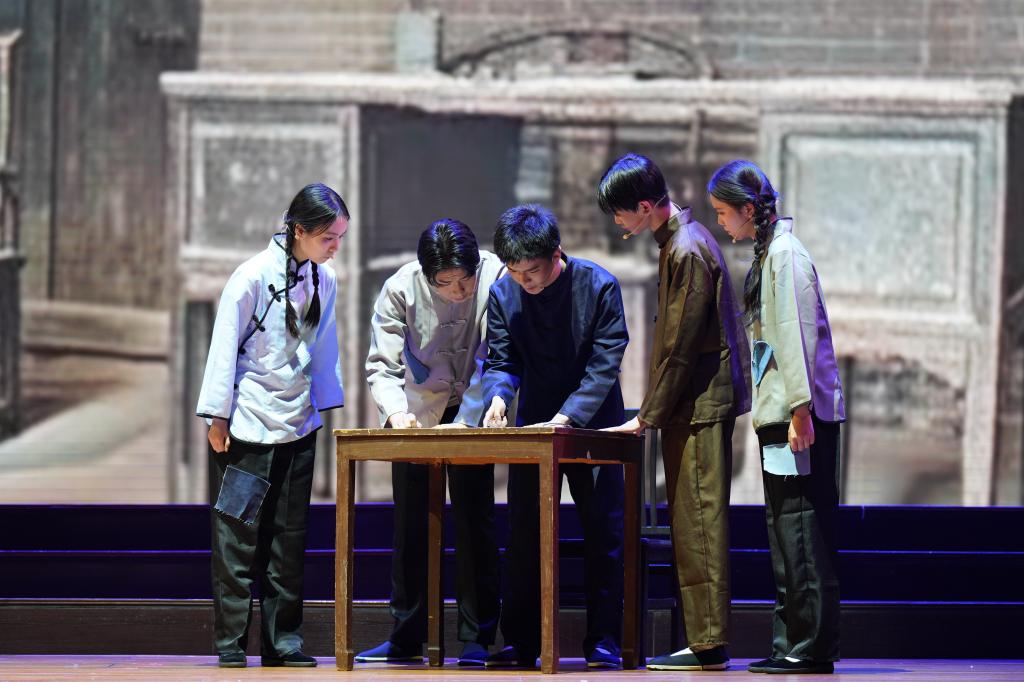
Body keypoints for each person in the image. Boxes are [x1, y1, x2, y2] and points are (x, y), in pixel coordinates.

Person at [598, 153, 751, 672]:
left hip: (700, 405)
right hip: (691, 405)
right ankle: (704, 641)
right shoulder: (680, 242)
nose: (617, 221)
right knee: (692, 521)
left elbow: (681, 345)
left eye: (620, 211)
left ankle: (707, 644)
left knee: (699, 522)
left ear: (644, 207)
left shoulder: (685, 247)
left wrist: (648, 415)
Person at [196, 183, 348, 669]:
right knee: (238, 538)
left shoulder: (325, 280)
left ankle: (284, 643)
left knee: (289, 539)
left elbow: (323, 346)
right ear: (299, 230)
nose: (335, 247)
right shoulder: (250, 277)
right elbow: (224, 348)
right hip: (247, 425)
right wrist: (218, 416)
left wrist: (321, 405)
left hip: (298, 423)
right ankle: (231, 644)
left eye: (340, 238)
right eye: (328, 238)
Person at [708, 159, 845, 675]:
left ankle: (810, 646)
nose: (721, 221)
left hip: (798, 415)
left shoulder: (785, 254)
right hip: (783, 412)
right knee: (785, 529)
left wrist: (800, 409)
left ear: (748, 209)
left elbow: (794, 333)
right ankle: (791, 640)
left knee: (803, 530)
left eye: (724, 212)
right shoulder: (770, 253)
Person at [480, 204, 627, 670]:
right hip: (534, 426)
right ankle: (522, 642)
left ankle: (604, 641)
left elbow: (605, 362)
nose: (525, 281)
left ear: (556, 253)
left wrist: (569, 416)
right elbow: (502, 360)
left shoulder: (598, 285)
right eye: (516, 271)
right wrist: (498, 397)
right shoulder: (503, 292)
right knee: (524, 532)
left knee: (603, 531)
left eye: (534, 271)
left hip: (595, 423)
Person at [355, 219, 504, 666]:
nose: (458, 291)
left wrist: (473, 417)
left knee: (476, 521)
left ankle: (477, 638)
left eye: (465, 280)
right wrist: (396, 414)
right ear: (426, 275)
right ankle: (406, 636)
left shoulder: (496, 276)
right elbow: (382, 365)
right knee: (411, 524)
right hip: (416, 414)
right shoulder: (399, 289)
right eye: (445, 283)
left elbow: (496, 355)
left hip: (474, 408)